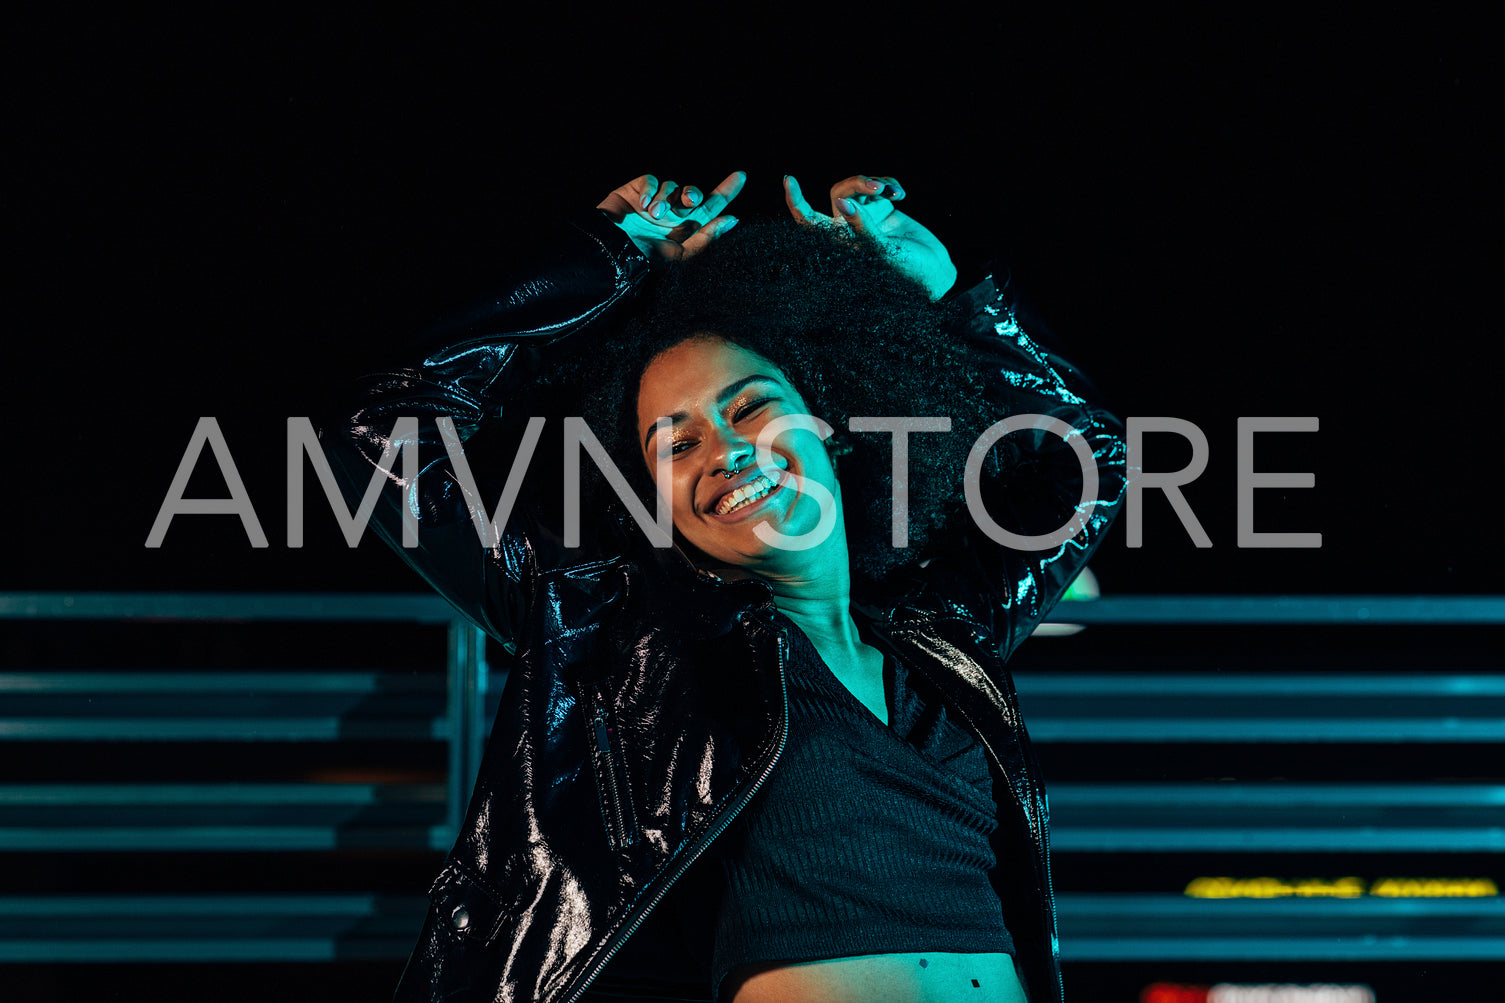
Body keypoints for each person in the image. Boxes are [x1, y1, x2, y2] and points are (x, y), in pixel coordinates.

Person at [324, 168, 1128, 1003]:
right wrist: (606, 258)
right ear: (657, 499)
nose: (724, 451)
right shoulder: (621, 636)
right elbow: (380, 436)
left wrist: (945, 293)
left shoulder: (947, 639)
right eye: (675, 445)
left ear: (828, 426)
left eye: (748, 408)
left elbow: (1090, 461)